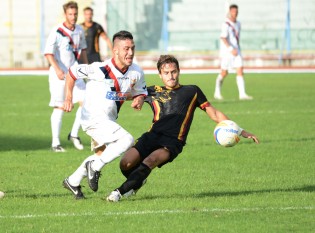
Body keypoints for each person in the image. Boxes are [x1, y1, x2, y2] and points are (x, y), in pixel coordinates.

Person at [106, 55, 259, 202]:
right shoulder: (152, 91)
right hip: (152, 136)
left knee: (150, 160)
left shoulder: (192, 91)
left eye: (173, 72)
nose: (170, 76)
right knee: (125, 163)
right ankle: (137, 181)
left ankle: (118, 193)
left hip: (173, 142)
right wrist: (109, 94)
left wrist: (240, 130)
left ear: (179, 71)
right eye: (166, 73)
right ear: (160, 74)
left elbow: (214, 113)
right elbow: (125, 95)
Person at [62, 30, 148, 199]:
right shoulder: (100, 69)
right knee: (127, 140)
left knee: (102, 153)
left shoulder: (136, 72)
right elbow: (72, 72)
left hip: (108, 120)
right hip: (92, 119)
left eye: (132, 48)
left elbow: (140, 92)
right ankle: (95, 167)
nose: (130, 53)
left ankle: (72, 181)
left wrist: (139, 99)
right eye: (126, 49)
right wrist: (69, 97)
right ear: (115, 50)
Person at [44, 1, 88, 152]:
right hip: (59, 74)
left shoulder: (80, 30)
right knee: (60, 107)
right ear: (65, 14)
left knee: (86, 101)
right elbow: (48, 53)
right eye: (70, 14)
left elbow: (83, 50)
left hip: (75, 72)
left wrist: (87, 70)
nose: (73, 16)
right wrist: (56, 69)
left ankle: (74, 134)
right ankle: (55, 143)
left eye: (75, 14)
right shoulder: (57, 31)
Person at [214, 4, 253, 100]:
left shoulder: (238, 24)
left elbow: (237, 38)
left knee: (240, 70)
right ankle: (217, 92)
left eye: (236, 12)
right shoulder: (226, 24)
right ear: (230, 12)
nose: (235, 13)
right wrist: (231, 49)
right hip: (227, 52)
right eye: (233, 11)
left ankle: (242, 94)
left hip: (236, 51)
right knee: (224, 72)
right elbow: (223, 38)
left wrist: (237, 48)